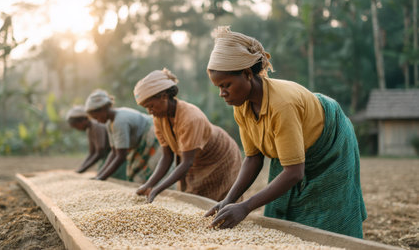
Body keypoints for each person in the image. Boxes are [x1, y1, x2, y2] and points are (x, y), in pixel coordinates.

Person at [204, 26, 366, 238]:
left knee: (329, 215)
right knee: (283, 215)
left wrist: (245, 207)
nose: (222, 93)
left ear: (246, 75)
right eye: (219, 87)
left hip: (330, 141)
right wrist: (229, 200)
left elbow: (294, 172)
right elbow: (253, 159)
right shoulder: (241, 106)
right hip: (297, 148)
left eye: (226, 85)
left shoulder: (282, 106)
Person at [133, 68, 242, 202]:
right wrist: (149, 184)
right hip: (195, 160)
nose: (150, 111)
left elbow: (186, 163)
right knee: (192, 197)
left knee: (217, 201)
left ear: (164, 97)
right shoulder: (159, 118)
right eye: (146, 108)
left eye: (151, 106)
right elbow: (167, 157)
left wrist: (158, 189)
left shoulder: (190, 118)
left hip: (219, 156)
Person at [84, 89, 160, 183]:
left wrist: (101, 178)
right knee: (137, 175)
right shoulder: (109, 123)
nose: (98, 121)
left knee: (153, 171)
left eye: (97, 117)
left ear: (104, 108)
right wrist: (99, 175)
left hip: (152, 136)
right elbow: (114, 152)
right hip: (139, 142)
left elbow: (121, 156)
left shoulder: (119, 121)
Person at [66, 105, 110, 173]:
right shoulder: (89, 130)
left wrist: (83, 169)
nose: (77, 129)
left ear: (84, 119)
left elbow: (100, 152)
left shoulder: (97, 126)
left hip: (113, 156)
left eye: (77, 126)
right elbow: (92, 153)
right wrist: (81, 167)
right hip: (107, 158)